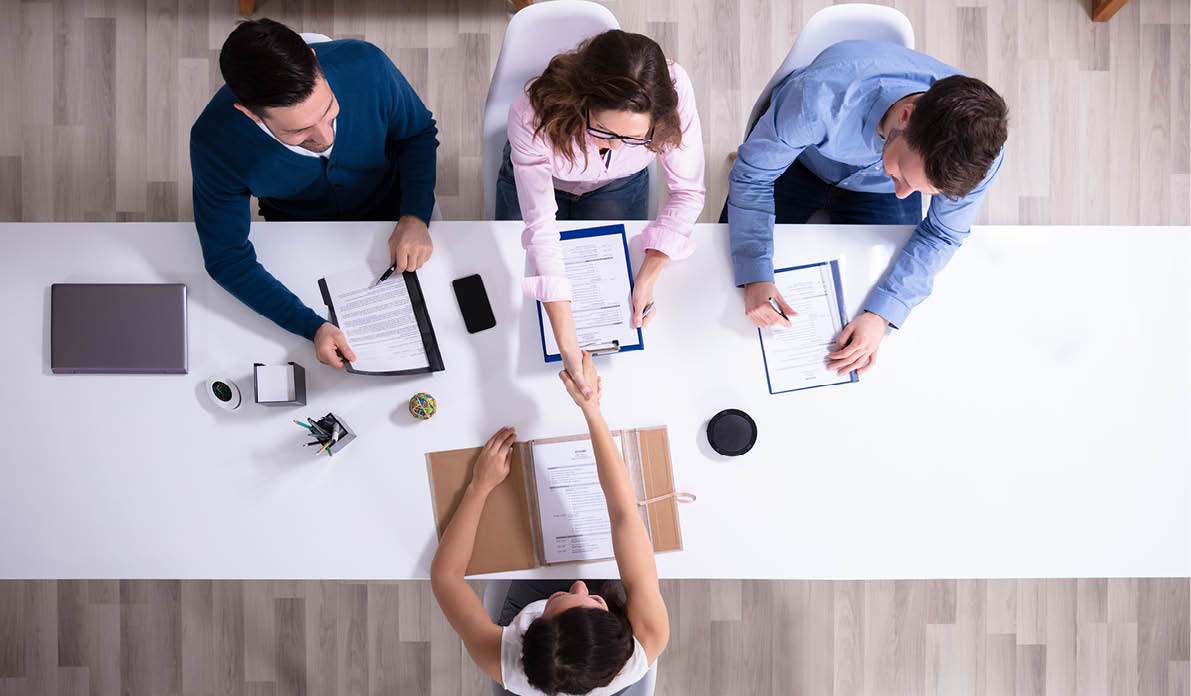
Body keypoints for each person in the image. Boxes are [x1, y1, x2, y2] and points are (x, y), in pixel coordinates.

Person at [726, 39, 1008, 376]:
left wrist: (880, 316)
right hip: (800, 162)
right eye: (903, 173)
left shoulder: (976, 155)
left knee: (870, 296)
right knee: (728, 283)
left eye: (921, 190)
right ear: (906, 117)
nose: (904, 196)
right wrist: (756, 272)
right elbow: (753, 176)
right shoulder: (817, 99)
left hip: (874, 189)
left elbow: (941, 235)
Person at [190, 19, 438, 369]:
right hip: (297, 230)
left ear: (314, 60)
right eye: (300, 131)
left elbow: (417, 134)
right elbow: (227, 259)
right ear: (250, 114)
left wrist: (414, 215)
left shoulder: (367, 65)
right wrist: (312, 326)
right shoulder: (214, 143)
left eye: (328, 111)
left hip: (399, 209)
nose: (325, 137)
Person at [430, 352, 669, 696]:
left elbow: (445, 577)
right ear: (618, 626)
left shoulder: (501, 658)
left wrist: (478, 487)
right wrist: (591, 409)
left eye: (561, 597)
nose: (579, 585)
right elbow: (623, 512)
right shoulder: (649, 635)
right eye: (594, 601)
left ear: (530, 628)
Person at [497, 29, 705, 398]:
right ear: (582, 99)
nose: (612, 146)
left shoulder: (675, 90)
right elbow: (542, 228)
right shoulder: (530, 114)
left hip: (619, 185)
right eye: (602, 130)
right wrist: (568, 347)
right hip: (543, 178)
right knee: (513, 289)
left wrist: (650, 273)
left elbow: (687, 192)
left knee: (619, 272)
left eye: (634, 138)